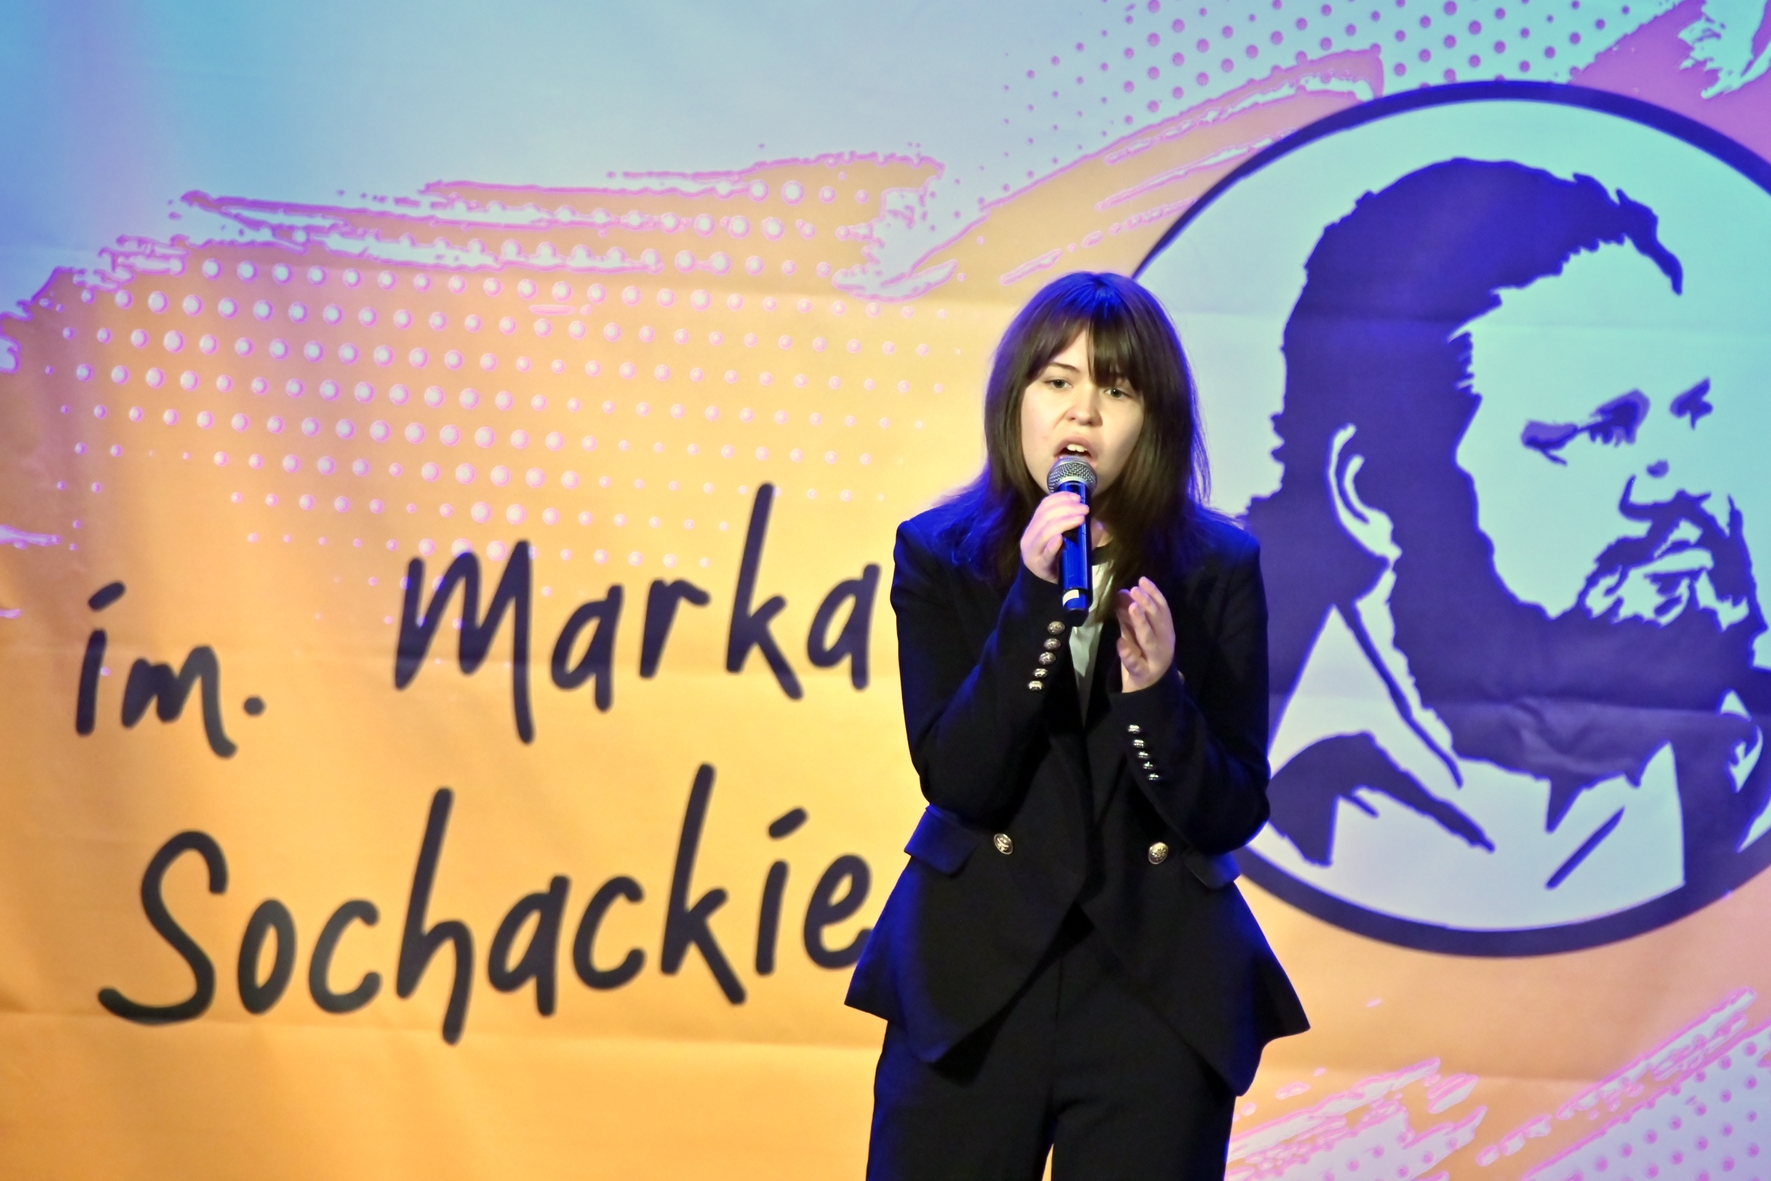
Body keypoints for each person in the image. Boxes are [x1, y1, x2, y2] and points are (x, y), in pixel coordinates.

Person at [845, 271, 1308, 1180]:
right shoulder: (939, 554)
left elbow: (1228, 811)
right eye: (1056, 381)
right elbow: (961, 777)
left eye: (1117, 389)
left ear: (1153, 420)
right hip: (974, 976)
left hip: (1155, 982)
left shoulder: (1216, 566)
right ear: (1014, 400)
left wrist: (1156, 695)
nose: (1082, 413)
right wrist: (1030, 601)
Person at [1245, 159, 1771, 944]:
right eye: (1602, 430)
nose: (1676, 484)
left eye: (1691, 412)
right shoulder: (1221, 771)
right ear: (1371, 491)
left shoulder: (1745, 754)